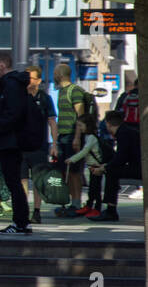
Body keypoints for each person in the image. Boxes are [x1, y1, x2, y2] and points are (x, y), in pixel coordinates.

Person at [0, 52, 42, 235]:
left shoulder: (11, 85)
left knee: (13, 182)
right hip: (11, 139)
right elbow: (11, 110)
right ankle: (21, 222)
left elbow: (14, 113)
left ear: (2, 66)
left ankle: (20, 222)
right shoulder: (12, 85)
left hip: (11, 141)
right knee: (14, 181)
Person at [87, 111, 140, 222]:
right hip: (138, 166)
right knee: (111, 169)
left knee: (112, 172)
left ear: (108, 123)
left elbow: (120, 158)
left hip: (139, 169)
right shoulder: (127, 131)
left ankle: (111, 210)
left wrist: (104, 168)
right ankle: (109, 208)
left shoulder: (123, 134)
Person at [24, 65, 59, 224]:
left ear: (38, 80)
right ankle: (23, 210)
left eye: (30, 78)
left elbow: (52, 122)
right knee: (22, 180)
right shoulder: (19, 96)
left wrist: (54, 144)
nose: (27, 81)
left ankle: (36, 211)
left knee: (37, 180)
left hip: (39, 146)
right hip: (21, 145)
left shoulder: (45, 98)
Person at [52, 63, 87, 212]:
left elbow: (81, 116)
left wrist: (77, 138)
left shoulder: (75, 90)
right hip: (63, 136)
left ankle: (77, 202)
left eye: (55, 72)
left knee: (74, 171)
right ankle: (69, 200)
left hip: (72, 135)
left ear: (60, 73)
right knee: (63, 170)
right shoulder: (61, 91)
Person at [64, 113, 106, 218]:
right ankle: (89, 205)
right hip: (92, 167)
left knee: (95, 189)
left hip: (96, 167)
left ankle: (97, 208)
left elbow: (84, 152)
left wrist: (72, 159)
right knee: (92, 188)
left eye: (80, 125)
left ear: (87, 125)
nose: (79, 128)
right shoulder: (88, 136)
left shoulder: (91, 137)